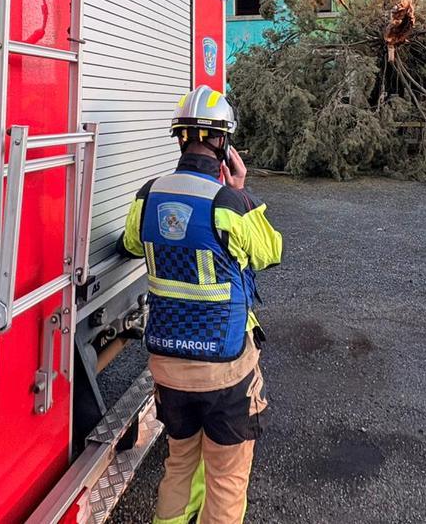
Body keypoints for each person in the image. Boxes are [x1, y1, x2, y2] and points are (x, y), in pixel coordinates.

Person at [119, 85, 282, 524]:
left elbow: (132, 242)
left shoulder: (147, 194)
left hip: (168, 366)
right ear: (223, 144)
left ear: (180, 139)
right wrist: (242, 190)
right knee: (226, 478)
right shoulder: (230, 202)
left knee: (179, 464)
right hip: (225, 368)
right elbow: (271, 252)